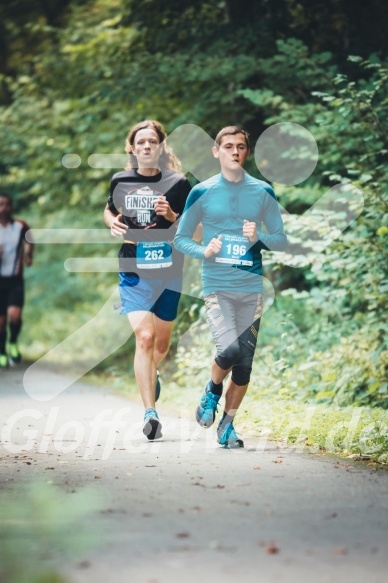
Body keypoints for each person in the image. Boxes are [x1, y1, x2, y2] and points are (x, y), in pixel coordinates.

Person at [174, 126, 287, 448]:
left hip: (251, 288)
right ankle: (211, 390)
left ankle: (227, 424)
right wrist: (204, 250)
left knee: (244, 367)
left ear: (247, 152)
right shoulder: (201, 192)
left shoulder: (263, 191)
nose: (234, 152)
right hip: (217, 286)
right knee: (229, 350)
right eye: (227, 146)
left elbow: (280, 240)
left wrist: (258, 238)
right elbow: (181, 238)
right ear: (216, 152)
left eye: (240, 147)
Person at [104, 120, 191, 441]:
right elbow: (109, 209)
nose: (146, 146)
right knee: (144, 336)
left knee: (162, 344)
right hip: (133, 269)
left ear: (160, 146)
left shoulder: (178, 183)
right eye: (140, 142)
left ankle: (151, 372)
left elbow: (194, 230)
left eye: (152, 141)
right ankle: (150, 413)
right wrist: (112, 221)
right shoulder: (120, 180)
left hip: (169, 271)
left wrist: (171, 217)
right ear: (131, 148)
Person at [0, 193, 34, 368]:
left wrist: (28, 255)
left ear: (11, 207)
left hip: (15, 279)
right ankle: (2, 352)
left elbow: (30, 239)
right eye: (0, 205)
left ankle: (13, 341)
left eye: (7, 204)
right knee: (1, 322)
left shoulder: (20, 226)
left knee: (14, 315)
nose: (3, 208)